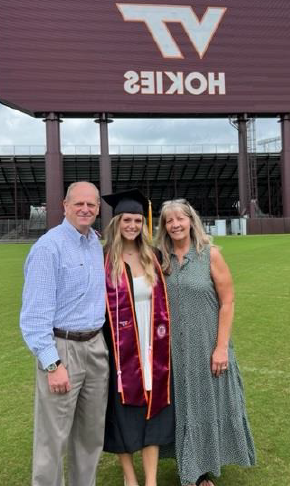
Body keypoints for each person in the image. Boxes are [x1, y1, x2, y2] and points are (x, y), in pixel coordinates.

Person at [156, 199, 256, 486]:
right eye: (169, 220)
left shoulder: (210, 255)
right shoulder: (161, 260)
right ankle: (191, 467)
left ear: (191, 221)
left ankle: (201, 469)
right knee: (182, 407)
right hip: (174, 351)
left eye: (180, 219)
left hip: (208, 346)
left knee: (205, 406)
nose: (175, 224)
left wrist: (221, 347)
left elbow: (227, 302)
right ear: (164, 226)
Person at [20, 181, 109, 486]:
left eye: (92, 205)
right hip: (63, 349)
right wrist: (52, 365)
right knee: (52, 438)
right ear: (65, 206)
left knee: (90, 435)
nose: (85, 209)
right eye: (79, 203)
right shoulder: (49, 247)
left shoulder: (95, 243)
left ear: (98, 208)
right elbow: (34, 318)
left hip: (96, 346)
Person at [101, 189, 174, 486]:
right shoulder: (104, 259)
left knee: (153, 411)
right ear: (116, 222)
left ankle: (151, 480)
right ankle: (130, 478)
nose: (132, 225)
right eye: (126, 220)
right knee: (124, 413)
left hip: (153, 342)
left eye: (137, 220)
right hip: (120, 347)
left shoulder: (154, 256)